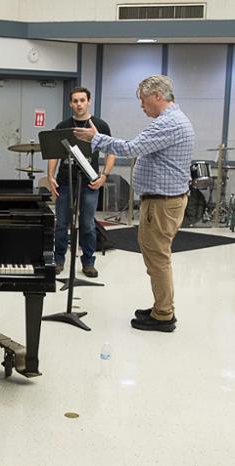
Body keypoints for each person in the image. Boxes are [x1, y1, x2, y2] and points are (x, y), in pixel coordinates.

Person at [74, 75, 194, 333]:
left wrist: (96, 139)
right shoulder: (173, 119)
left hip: (162, 204)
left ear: (157, 96)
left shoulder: (168, 123)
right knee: (156, 256)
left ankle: (163, 315)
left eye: (142, 100)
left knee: (158, 258)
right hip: (164, 201)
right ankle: (161, 307)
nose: (141, 105)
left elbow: (131, 148)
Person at [47, 87, 116, 278]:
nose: (79, 104)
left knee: (87, 223)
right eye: (75, 101)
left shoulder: (100, 125)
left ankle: (88, 262)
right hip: (65, 180)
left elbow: (111, 152)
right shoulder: (63, 125)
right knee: (61, 223)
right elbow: (53, 153)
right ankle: (58, 260)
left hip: (90, 182)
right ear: (70, 104)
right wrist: (50, 176)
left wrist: (104, 176)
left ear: (89, 101)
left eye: (82, 100)